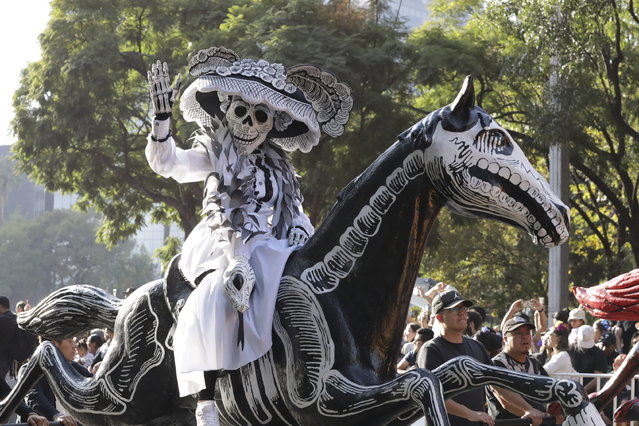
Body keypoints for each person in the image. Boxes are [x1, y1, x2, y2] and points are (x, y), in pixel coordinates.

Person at [145, 46, 352, 425]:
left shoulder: (279, 167)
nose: (250, 124)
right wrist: (161, 121)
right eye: (242, 112)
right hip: (223, 241)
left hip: (274, 240)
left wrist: (318, 247)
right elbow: (168, 163)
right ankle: (206, 398)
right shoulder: (211, 150)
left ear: (270, 125)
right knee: (217, 291)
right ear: (226, 110)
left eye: (260, 117)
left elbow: (294, 214)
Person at [419, 290, 544, 426]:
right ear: (439, 317)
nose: (462, 312)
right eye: (454, 309)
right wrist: (469, 414)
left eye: (463, 308)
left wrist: (529, 409)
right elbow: (432, 396)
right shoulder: (431, 350)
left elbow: (499, 386)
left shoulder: (477, 347)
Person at [487, 317, 555, 423]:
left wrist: (557, 410)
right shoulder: (496, 365)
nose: (525, 337)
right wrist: (531, 412)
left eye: (527, 333)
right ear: (505, 339)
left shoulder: (534, 364)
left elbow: (550, 391)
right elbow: (506, 402)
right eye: (518, 333)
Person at [22, 338, 89, 426]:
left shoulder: (74, 367)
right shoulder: (30, 369)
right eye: (70, 341)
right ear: (53, 344)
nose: (75, 345)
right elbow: (35, 398)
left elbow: (95, 384)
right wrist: (57, 415)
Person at [569, 325, 608, 392]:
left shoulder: (599, 353)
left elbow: (598, 377)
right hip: (571, 388)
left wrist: (583, 391)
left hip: (589, 392)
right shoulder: (571, 351)